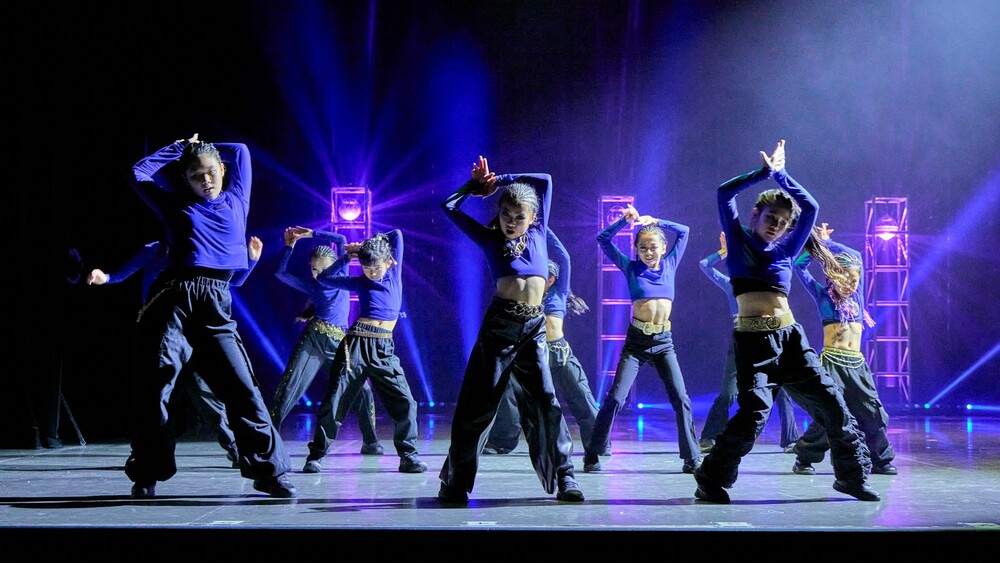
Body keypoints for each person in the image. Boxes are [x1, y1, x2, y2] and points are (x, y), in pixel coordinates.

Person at [693, 139, 878, 504]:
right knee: (753, 415)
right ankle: (710, 480)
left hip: (791, 339)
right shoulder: (738, 239)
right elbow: (723, 193)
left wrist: (782, 175)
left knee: (832, 403)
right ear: (755, 216)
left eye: (781, 222)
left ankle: (851, 477)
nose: (775, 225)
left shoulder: (787, 249)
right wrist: (763, 173)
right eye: (770, 218)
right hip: (753, 342)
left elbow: (811, 207)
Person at [126, 133, 295, 498]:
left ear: (222, 169)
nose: (205, 180)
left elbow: (242, 150)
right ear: (185, 179)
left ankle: (269, 472)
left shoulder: (237, 198)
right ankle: (147, 472)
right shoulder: (175, 204)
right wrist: (178, 148)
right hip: (175, 299)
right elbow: (138, 173)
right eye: (195, 175)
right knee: (158, 387)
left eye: (211, 172)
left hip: (216, 301)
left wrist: (202, 145)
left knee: (242, 387)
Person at [437, 156, 584, 503]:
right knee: (478, 406)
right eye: (506, 214)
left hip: (533, 328)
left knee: (546, 402)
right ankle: (454, 482)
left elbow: (544, 178)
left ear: (533, 218)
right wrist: (477, 186)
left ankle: (565, 476)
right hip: (500, 328)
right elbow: (448, 206)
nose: (511, 222)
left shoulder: (538, 234)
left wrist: (500, 178)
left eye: (519, 216)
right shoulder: (489, 238)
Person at [87, 236, 263, 468]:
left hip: (193, 330)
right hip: (163, 330)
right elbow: (121, 273)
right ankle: (144, 455)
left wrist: (252, 260)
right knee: (156, 393)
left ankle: (234, 447)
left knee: (206, 395)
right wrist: (104, 277)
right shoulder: (155, 249)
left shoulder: (203, 249)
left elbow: (232, 280)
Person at [581, 203, 701, 474]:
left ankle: (691, 457)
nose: (648, 252)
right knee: (616, 398)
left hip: (664, 342)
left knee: (681, 398)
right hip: (636, 342)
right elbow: (603, 239)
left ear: (663, 248)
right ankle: (593, 453)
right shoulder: (631, 267)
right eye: (642, 248)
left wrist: (656, 220)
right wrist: (624, 221)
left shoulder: (670, 264)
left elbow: (684, 231)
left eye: (653, 247)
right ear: (636, 249)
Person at [302, 228, 428, 474]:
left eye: (376, 267)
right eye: (366, 267)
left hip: (384, 348)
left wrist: (370, 243)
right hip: (356, 345)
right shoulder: (359, 281)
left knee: (406, 402)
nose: (371, 272)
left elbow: (397, 235)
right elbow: (325, 278)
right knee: (336, 399)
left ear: (389, 262)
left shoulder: (394, 274)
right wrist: (347, 258)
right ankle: (315, 456)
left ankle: (408, 456)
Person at [481, 228, 608, 457]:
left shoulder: (559, 293)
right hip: (531, 353)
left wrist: (543, 228)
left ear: (551, 280)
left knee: (582, 397)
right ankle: (502, 442)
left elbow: (564, 257)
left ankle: (598, 443)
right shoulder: (526, 293)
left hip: (559, 353)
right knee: (507, 392)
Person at [789, 223, 897, 476]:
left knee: (873, 412)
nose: (849, 284)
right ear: (832, 277)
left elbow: (856, 256)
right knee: (830, 412)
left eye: (854, 280)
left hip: (857, 364)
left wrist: (831, 243)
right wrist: (821, 246)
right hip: (832, 363)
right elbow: (799, 266)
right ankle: (804, 458)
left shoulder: (857, 298)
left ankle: (880, 460)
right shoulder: (823, 296)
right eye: (844, 278)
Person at [270, 226, 385, 456]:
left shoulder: (341, 276)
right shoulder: (311, 283)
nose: (317, 274)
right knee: (289, 387)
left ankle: (370, 442)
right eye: (314, 269)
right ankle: (265, 441)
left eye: (322, 269)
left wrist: (312, 233)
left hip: (339, 342)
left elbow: (341, 238)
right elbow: (280, 274)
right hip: (314, 340)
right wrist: (289, 247)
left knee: (363, 390)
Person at [697, 231, 800, 453]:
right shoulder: (733, 284)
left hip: (770, 339)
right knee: (728, 394)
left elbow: (793, 261)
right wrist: (723, 252)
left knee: (782, 392)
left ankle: (791, 440)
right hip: (742, 340)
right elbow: (704, 265)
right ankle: (708, 436)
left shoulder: (770, 280)